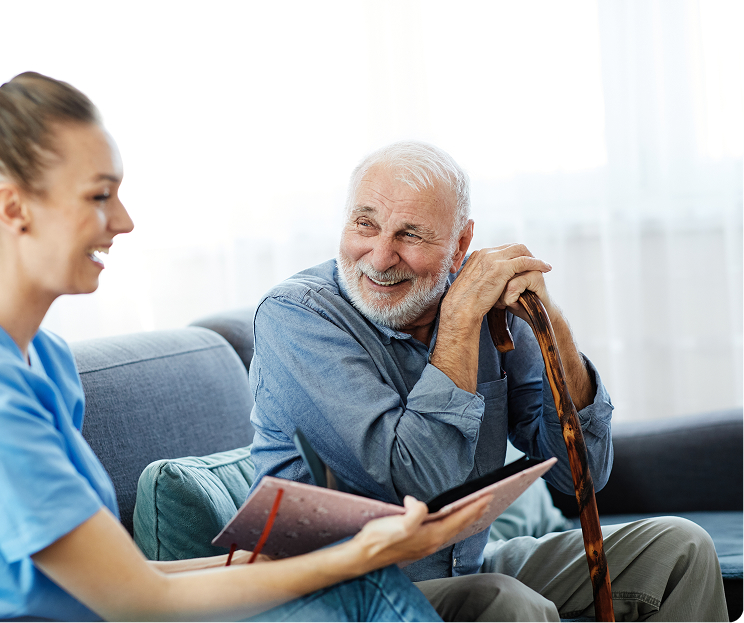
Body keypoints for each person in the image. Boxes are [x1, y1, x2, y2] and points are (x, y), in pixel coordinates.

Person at [0, 75, 492, 622]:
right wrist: (366, 550)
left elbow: (121, 583)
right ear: (13, 209)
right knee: (364, 590)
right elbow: (138, 604)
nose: (124, 220)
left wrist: (243, 571)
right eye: (98, 195)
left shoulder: (42, 362)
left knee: (363, 584)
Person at [248, 140, 729, 621]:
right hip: (347, 596)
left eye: (410, 234)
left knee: (678, 549)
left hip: (465, 568)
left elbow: (581, 472)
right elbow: (418, 485)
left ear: (459, 244)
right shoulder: (297, 318)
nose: (379, 256)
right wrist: (458, 321)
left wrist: (551, 321)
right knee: (505, 601)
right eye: (365, 223)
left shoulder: (485, 309)